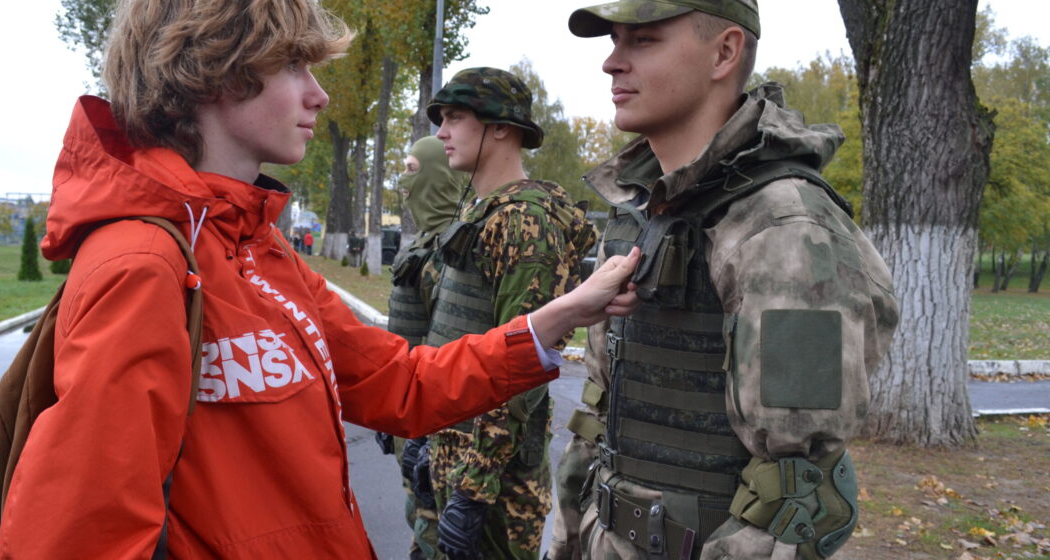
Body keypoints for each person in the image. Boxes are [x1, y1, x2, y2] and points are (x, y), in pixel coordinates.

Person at [0, 0, 641, 558]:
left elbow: (400, 382)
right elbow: (80, 534)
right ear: (215, 71)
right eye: (292, 65)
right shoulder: (146, 266)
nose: (318, 93)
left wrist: (556, 318)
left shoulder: (257, 249)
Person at [546, 1, 900, 559]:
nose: (611, 63)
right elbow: (598, 420)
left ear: (725, 52)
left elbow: (794, 490)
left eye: (643, 41)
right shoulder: (643, 211)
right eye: (614, 41)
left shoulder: (781, 224)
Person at [422, 67, 598, 560]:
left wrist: (473, 489)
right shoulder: (479, 212)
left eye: (455, 117)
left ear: (501, 126)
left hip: (494, 482)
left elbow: (521, 365)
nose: (441, 133)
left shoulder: (526, 221)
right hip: (452, 454)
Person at [384, 135, 467, 559]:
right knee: (417, 526)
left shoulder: (457, 250)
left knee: (434, 540)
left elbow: (453, 351)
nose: (403, 182)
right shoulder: (422, 246)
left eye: (413, 171)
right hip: (410, 423)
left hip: (441, 430)